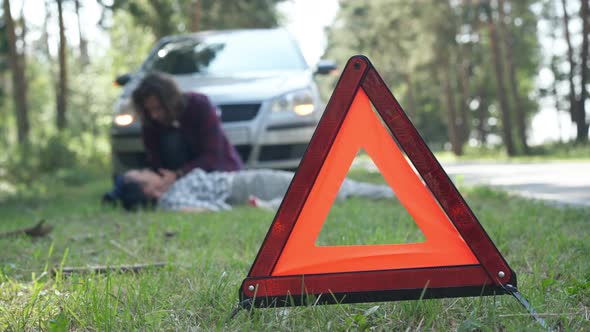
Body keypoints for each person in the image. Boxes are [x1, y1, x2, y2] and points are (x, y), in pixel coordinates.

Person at [131, 71, 243, 196]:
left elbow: (213, 154)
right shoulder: (150, 121)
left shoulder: (199, 105)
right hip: (174, 181)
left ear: (170, 100)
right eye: (149, 110)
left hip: (218, 172)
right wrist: (163, 177)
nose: (154, 115)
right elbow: (154, 158)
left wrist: (179, 174)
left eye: (158, 108)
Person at [121, 168, 395, 212]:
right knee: (327, 185)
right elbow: (204, 209)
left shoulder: (171, 190)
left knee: (320, 185)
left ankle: (399, 193)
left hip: (245, 181)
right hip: (245, 185)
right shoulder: (170, 202)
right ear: (145, 190)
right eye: (142, 174)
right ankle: (403, 194)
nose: (148, 170)